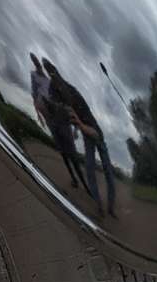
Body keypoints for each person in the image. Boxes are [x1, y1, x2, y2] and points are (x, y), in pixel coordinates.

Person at [43, 59, 117, 218]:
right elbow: (72, 113)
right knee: (90, 171)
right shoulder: (62, 95)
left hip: (95, 132)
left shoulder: (71, 92)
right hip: (85, 132)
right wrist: (77, 127)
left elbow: (95, 133)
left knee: (108, 173)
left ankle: (110, 208)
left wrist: (80, 126)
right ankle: (99, 206)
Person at [31, 54, 84, 189]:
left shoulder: (51, 82)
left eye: (37, 60)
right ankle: (74, 178)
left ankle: (83, 182)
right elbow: (34, 95)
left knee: (71, 151)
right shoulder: (34, 76)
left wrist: (75, 127)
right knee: (62, 151)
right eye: (34, 60)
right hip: (50, 119)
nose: (37, 63)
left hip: (61, 118)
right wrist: (39, 115)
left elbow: (66, 102)